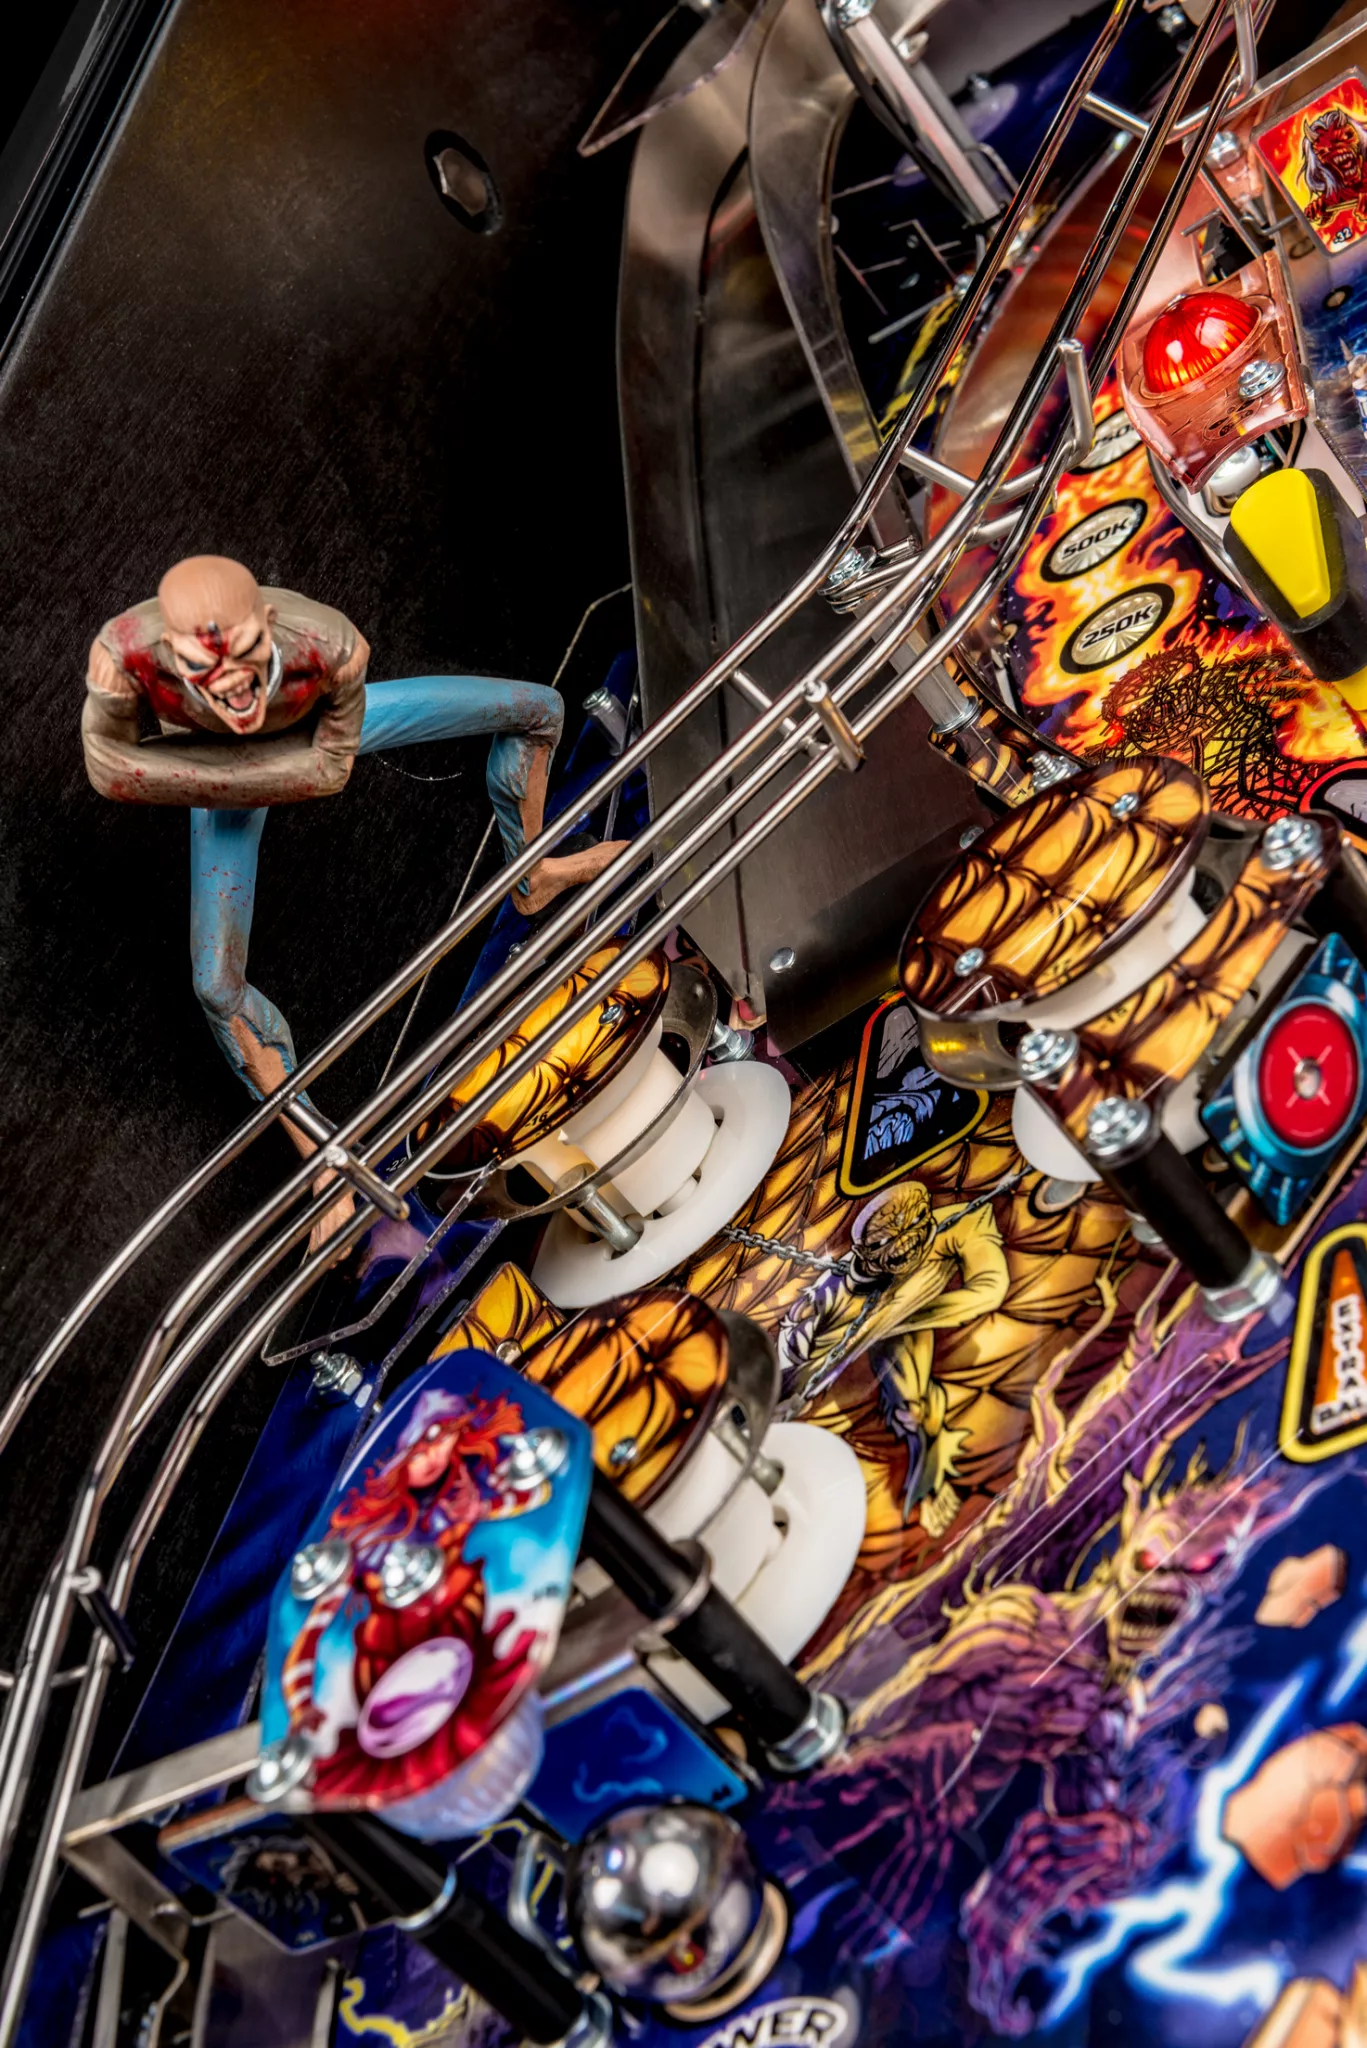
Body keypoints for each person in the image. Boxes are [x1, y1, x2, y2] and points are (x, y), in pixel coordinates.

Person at [83, 555, 625, 1241]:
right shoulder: (120, 654)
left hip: (307, 741)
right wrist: (216, 773)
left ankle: (533, 875)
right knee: (216, 985)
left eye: (244, 654)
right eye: (200, 667)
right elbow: (105, 769)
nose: (229, 683)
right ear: (166, 650)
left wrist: (209, 764)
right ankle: (326, 1161)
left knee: (538, 712)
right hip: (218, 782)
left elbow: (326, 772)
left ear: (268, 624)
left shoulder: (330, 644)